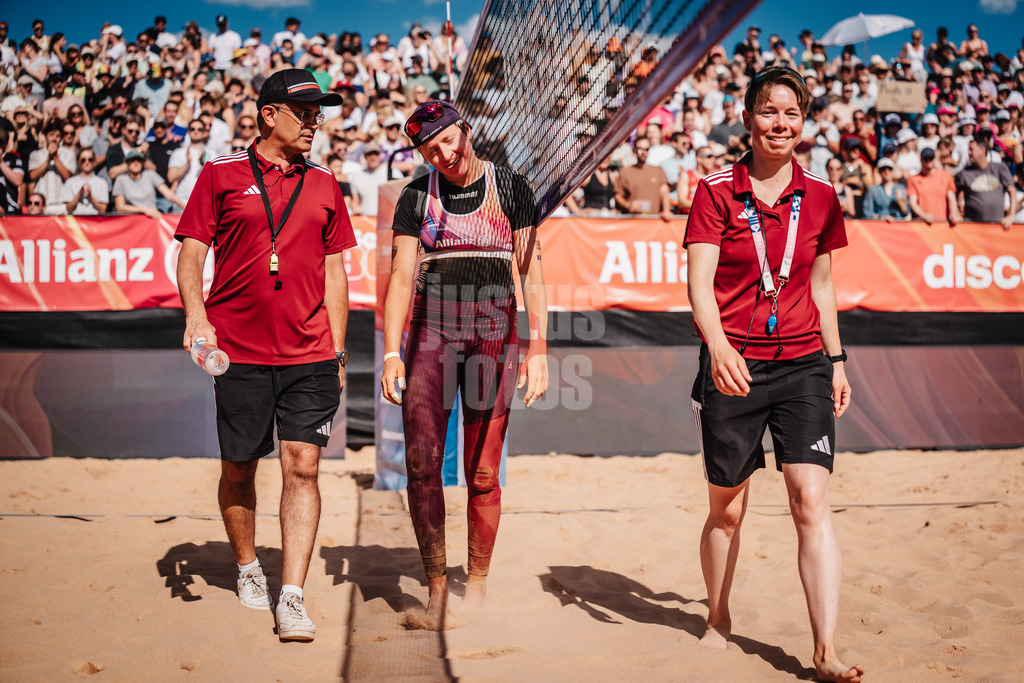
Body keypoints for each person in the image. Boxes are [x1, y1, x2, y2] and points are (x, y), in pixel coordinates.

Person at [683, 65, 864, 683]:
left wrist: (837, 361)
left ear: (804, 122)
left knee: (810, 501)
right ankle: (717, 618)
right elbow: (698, 285)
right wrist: (719, 347)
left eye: (791, 112)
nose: (779, 122)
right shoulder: (714, 189)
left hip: (804, 364)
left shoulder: (820, 194)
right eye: (768, 110)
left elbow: (822, 284)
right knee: (727, 512)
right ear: (748, 117)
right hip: (733, 367)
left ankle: (825, 650)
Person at [174, 69, 355, 642]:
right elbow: (192, 252)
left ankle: (293, 595)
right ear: (270, 114)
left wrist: (339, 352)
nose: (314, 122)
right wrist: (197, 317)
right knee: (239, 467)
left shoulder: (325, 183)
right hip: (239, 351)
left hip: (310, 354)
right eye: (304, 112)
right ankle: (249, 566)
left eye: (318, 113)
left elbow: (336, 273)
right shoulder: (220, 174)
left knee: (302, 467)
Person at [380, 100, 548, 625]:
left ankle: (475, 589)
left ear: (464, 130)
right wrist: (390, 352)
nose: (443, 153)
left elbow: (532, 274)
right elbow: (401, 280)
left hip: (494, 334)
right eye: (430, 149)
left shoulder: (513, 188)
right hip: (431, 336)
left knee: (481, 473)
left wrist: (540, 347)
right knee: (422, 464)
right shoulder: (415, 196)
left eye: (447, 139)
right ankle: (436, 589)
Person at [956, 133, 1017, 229]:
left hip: (997, 227)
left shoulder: (1000, 168)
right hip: (972, 229)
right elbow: (954, 194)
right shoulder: (964, 173)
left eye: (972, 150)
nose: (969, 153)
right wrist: (956, 213)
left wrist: (1010, 215)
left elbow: (1012, 190)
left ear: (982, 151)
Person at [615, 137, 673, 221]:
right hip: (632, 221)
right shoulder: (625, 172)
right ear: (634, 150)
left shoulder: (658, 170)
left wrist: (666, 210)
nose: (643, 153)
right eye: (640, 149)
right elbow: (618, 195)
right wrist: (628, 205)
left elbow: (664, 192)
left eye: (647, 149)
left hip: (654, 221)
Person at [112, 150, 183, 217]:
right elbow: (120, 207)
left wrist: (184, 206)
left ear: (142, 163)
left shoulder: (150, 174)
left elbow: (168, 194)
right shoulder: (121, 179)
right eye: (132, 160)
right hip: (132, 220)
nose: (136, 163)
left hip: (152, 218)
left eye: (139, 160)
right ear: (127, 163)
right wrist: (144, 209)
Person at [908, 148, 960, 225]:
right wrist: (924, 215)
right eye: (926, 159)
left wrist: (953, 213)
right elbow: (913, 202)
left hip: (942, 222)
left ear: (935, 159)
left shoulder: (946, 176)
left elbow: (951, 198)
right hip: (923, 224)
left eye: (931, 158)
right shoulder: (913, 179)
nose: (928, 161)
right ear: (921, 160)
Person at [61, 147, 110, 215]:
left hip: (95, 222)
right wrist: (79, 194)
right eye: (83, 160)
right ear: (78, 162)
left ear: (94, 161)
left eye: (90, 159)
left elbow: (102, 210)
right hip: (76, 222)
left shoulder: (102, 183)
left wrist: (91, 196)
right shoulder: (70, 182)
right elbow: (69, 209)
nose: (87, 162)